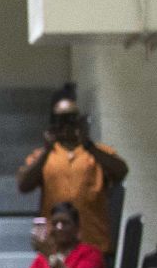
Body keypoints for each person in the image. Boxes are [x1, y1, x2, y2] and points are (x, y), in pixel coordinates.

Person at [16, 84, 129, 251]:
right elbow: (23, 185)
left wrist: (88, 145)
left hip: (93, 243)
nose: (66, 125)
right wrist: (46, 151)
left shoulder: (97, 152)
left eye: (71, 118)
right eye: (60, 120)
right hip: (54, 246)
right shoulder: (43, 155)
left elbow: (121, 172)